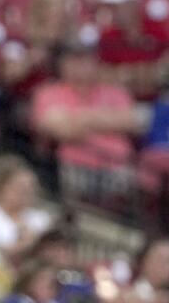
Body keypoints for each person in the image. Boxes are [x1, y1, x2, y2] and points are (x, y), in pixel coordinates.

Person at [32, 41, 142, 196]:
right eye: (74, 60)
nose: (80, 66)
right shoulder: (48, 93)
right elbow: (63, 131)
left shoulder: (114, 91)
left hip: (118, 164)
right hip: (75, 165)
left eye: (85, 59)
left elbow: (131, 122)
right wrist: (106, 118)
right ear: (61, 64)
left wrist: (78, 118)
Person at [94, 0, 169, 101]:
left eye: (116, 6)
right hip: (120, 105)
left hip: (158, 100)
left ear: (132, 4)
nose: (113, 12)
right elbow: (103, 76)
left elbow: (168, 68)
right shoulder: (107, 36)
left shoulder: (157, 30)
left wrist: (126, 74)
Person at [0, 156, 53, 262]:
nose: (26, 194)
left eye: (30, 189)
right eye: (20, 188)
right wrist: (26, 244)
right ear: (2, 187)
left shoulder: (40, 218)